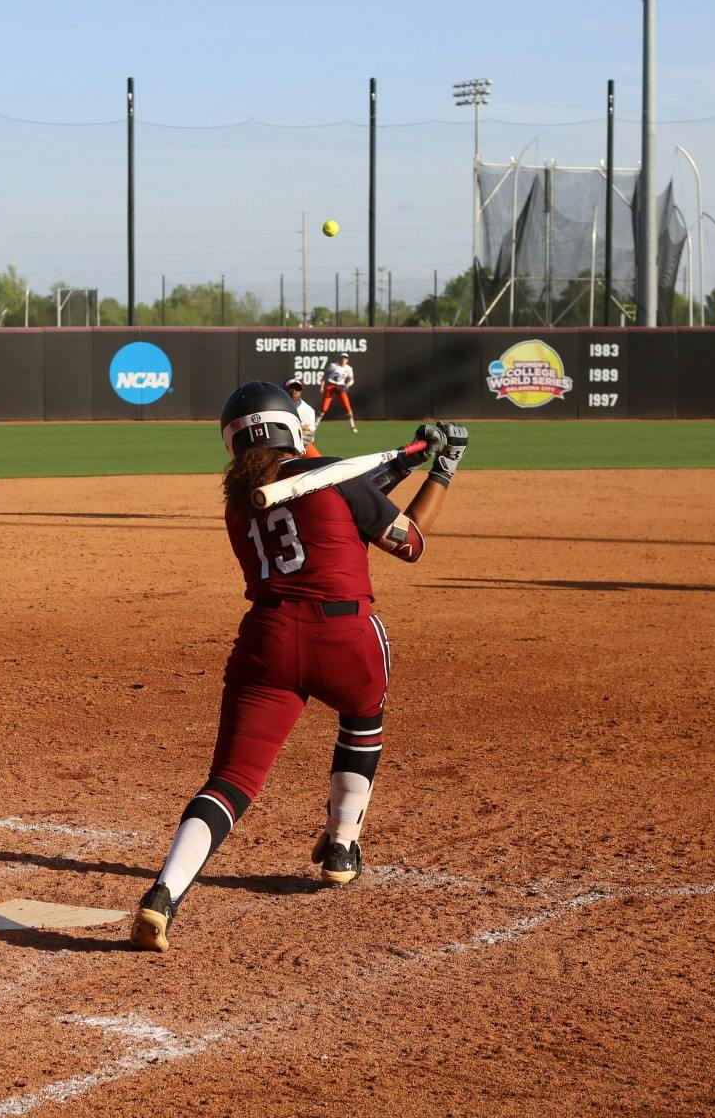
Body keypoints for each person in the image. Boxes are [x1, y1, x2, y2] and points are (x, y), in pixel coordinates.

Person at [128, 382, 468, 952]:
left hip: (267, 643)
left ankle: (163, 894)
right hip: (344, 637)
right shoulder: (330, 477)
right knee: (363, 716)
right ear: (291, 427)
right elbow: (406, 542)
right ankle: (340, 845)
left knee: (231, 782)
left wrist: (410, 457)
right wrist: (443, 468)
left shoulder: (241, 502)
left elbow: (344, 493)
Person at [318, 352, 357, 434]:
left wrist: (347, 385)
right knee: (324, 408)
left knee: (347, 407)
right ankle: (314, 425)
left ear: (347, 360)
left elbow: (352, 379)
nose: (343, 359)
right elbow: (325, 376)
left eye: (345, 358)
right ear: (339, 358)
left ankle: (352, 426)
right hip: (331, 386)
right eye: (342, 358)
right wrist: (322, 386)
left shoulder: (349, 368)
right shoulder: (333, 365)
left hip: (340, 387)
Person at [285, 378, 319, 447]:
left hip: (302, 445)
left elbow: (310, 435)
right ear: (284, 390)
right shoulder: (276, 406)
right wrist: (300, 427)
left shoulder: (308, 410)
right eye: (291, 388)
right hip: (282, 444)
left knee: (317, 457)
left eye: (297, 389)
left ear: (301, 391)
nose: (294, 391)